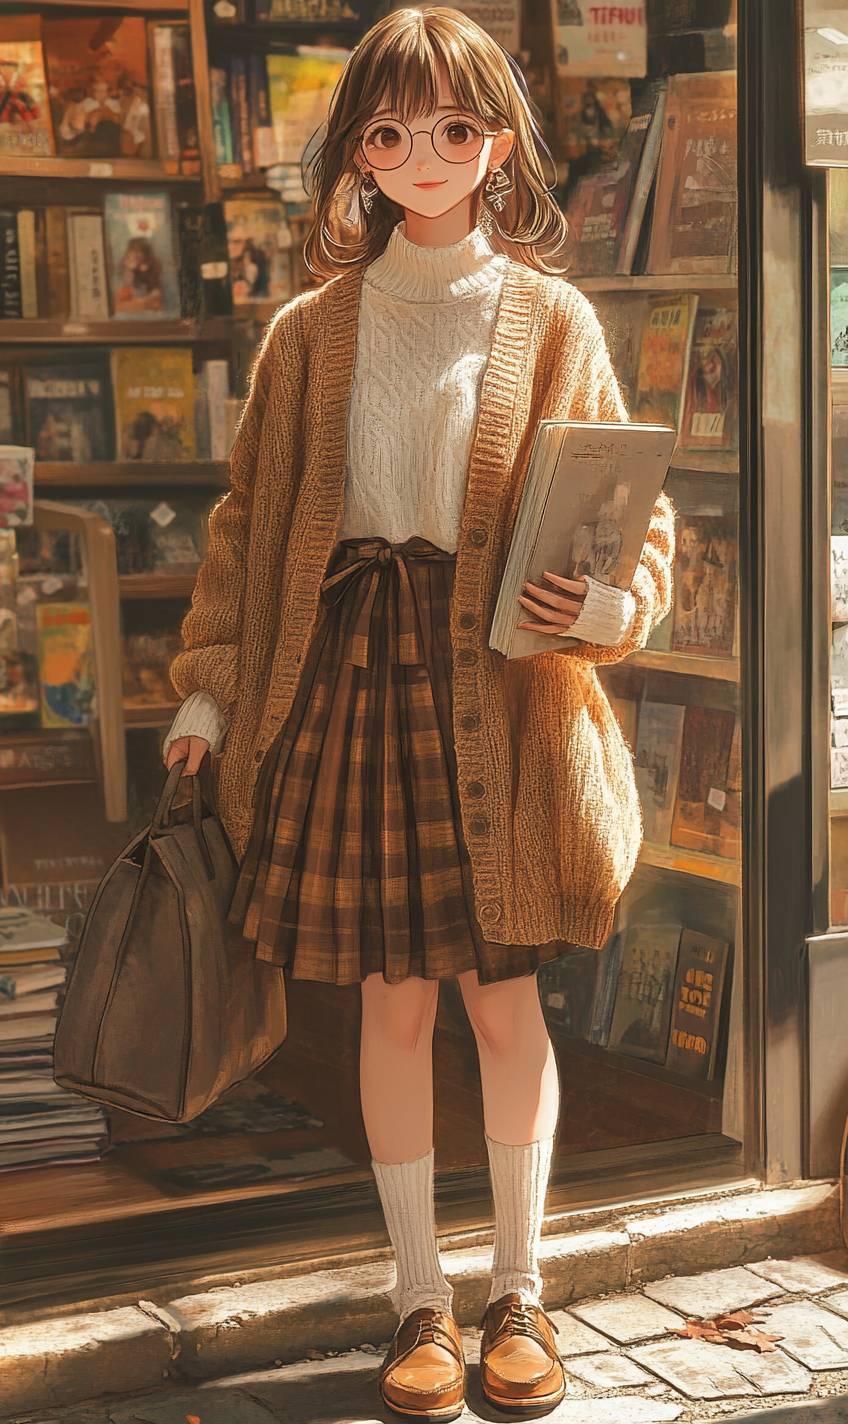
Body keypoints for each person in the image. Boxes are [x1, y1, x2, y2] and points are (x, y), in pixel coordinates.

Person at [163, 7, 675, 1419]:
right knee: (391, 1012)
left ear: (497, 142)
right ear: (355, 157)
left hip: (497, 698)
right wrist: (208, 686)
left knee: (502, 1008)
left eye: (453, 129)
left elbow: (634, 515)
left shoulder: (551, 319)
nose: (422, 155)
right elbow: (247, 529)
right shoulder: (305, 334)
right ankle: (417, 1305)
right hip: (346, 689)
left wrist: (617, 610)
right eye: (389, 133)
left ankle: (521, 1289)